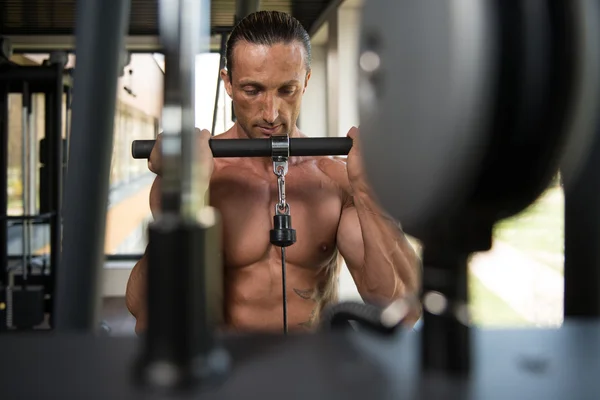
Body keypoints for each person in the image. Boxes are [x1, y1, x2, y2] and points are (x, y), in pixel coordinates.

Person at [126, 10, 421, 334]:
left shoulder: (334, 179)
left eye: (286, 90)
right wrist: (189, 194)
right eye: (252, 90)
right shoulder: (200, 176)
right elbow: (145, 314)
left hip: (311, 362)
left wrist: (367, 191)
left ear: (306, 80)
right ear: (228, 83)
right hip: (226, 366)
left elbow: (401, 310)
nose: (271, 113)